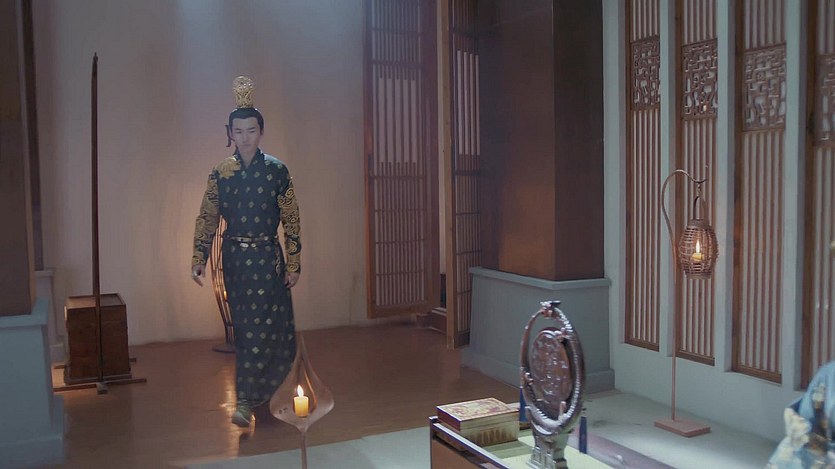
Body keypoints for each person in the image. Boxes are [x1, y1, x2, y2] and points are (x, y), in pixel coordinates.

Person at [191, 76, 301, 427]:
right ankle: (244, 400)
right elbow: (208, 216)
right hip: (236, 260)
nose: (245, 137)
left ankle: (277, 395)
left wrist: (294, 262)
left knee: (274, 329)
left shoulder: (277, 171)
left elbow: (291, 219)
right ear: (230, 134)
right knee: (247, 330)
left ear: (261, 131)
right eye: (238, 131)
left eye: (251, 130)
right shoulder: (221, 173)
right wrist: (199, 257)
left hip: (269, 258)